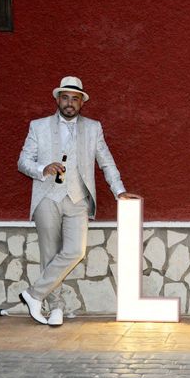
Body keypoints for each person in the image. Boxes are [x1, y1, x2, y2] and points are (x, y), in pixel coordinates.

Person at [18, 76, 138, 326]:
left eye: (75, 99)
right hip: (46, 197)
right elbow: (23, 161)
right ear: (57, 99)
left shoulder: (93, 128)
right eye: (65, 98)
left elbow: (106, 161)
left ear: (82, 103)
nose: (70, 103)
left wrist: (119, 191)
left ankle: (33, 294)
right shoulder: (38, 126)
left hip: (78, 199)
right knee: (49, 255)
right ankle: (55, 308)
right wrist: (43, 168)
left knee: (75, 251)